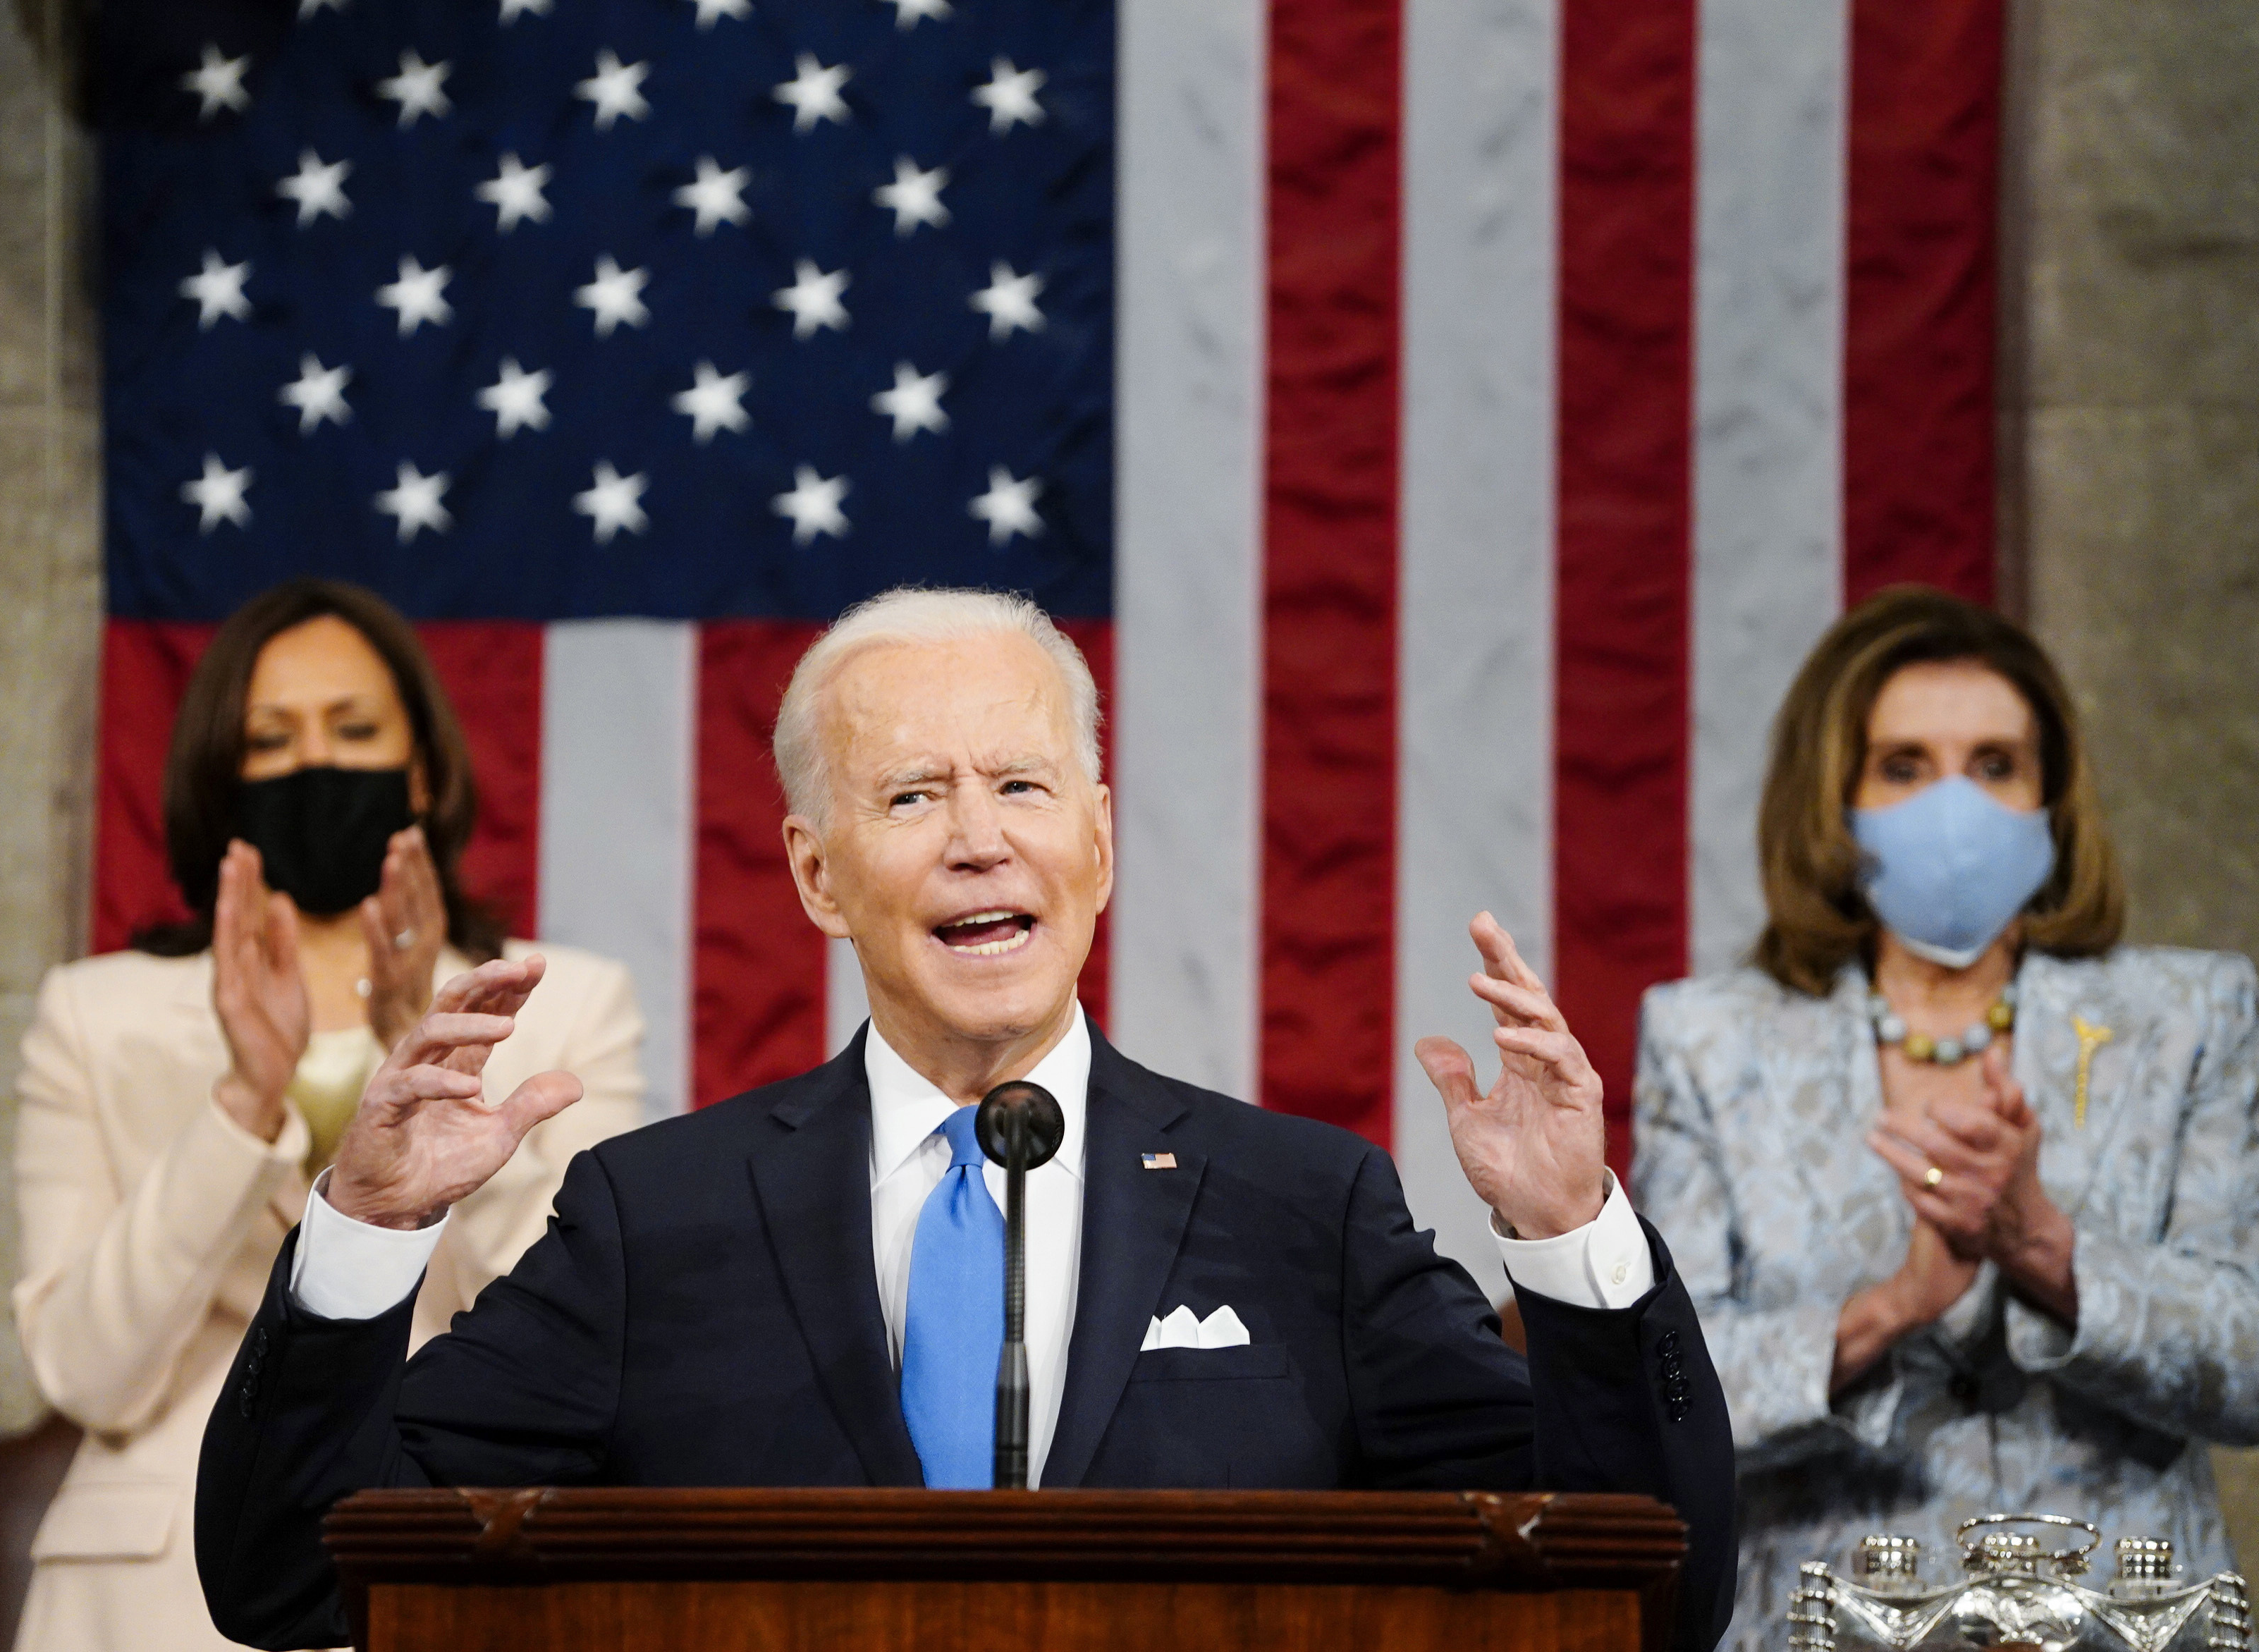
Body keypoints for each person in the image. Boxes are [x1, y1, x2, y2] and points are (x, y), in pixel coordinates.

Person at [193, 587, 1738, 1651]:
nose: (980, 841)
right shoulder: (655, 1220)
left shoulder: (1302, 1209)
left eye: (1023, 784)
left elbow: (1643, 1593)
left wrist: (1570, 1240)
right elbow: (287, 1570)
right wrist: (367, 1229)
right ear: (816, 874)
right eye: (913, 795)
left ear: (1100, 839)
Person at [10, 580, 646, 1652]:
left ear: (424, 767)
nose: (318, 764)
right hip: (150, 1597)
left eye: (355, 730)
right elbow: (84, 1372)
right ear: (224, 778)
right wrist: (240, 1105)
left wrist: (438, 1059)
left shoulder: (568, 1002)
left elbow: (593, 1334)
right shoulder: (92, 1012)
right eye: (272, 739)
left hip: (464, 1555)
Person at [1632, 586, 2259, 1648]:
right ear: (1830, 798)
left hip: (2124, 1623)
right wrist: (1888, 1309)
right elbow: (1666, 1405)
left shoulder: (2188, 1018)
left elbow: (2246, 1365)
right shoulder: (1709, 1039)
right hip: (1821, 1623)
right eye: (1903, 766)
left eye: (1994, 765)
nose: (1952, 809)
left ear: (2053, 798)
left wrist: (2047, 1251)